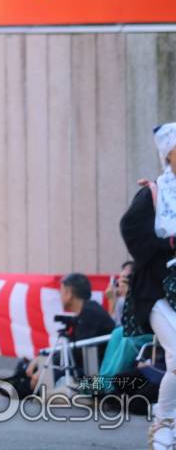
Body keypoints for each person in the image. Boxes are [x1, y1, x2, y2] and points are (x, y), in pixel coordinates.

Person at [119, 122, 176, 448]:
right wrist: (168, 245)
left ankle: (167, 424)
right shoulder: (153, 193)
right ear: (168, 154)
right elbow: (130, 230)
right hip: (155, 290)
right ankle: (163, 424)